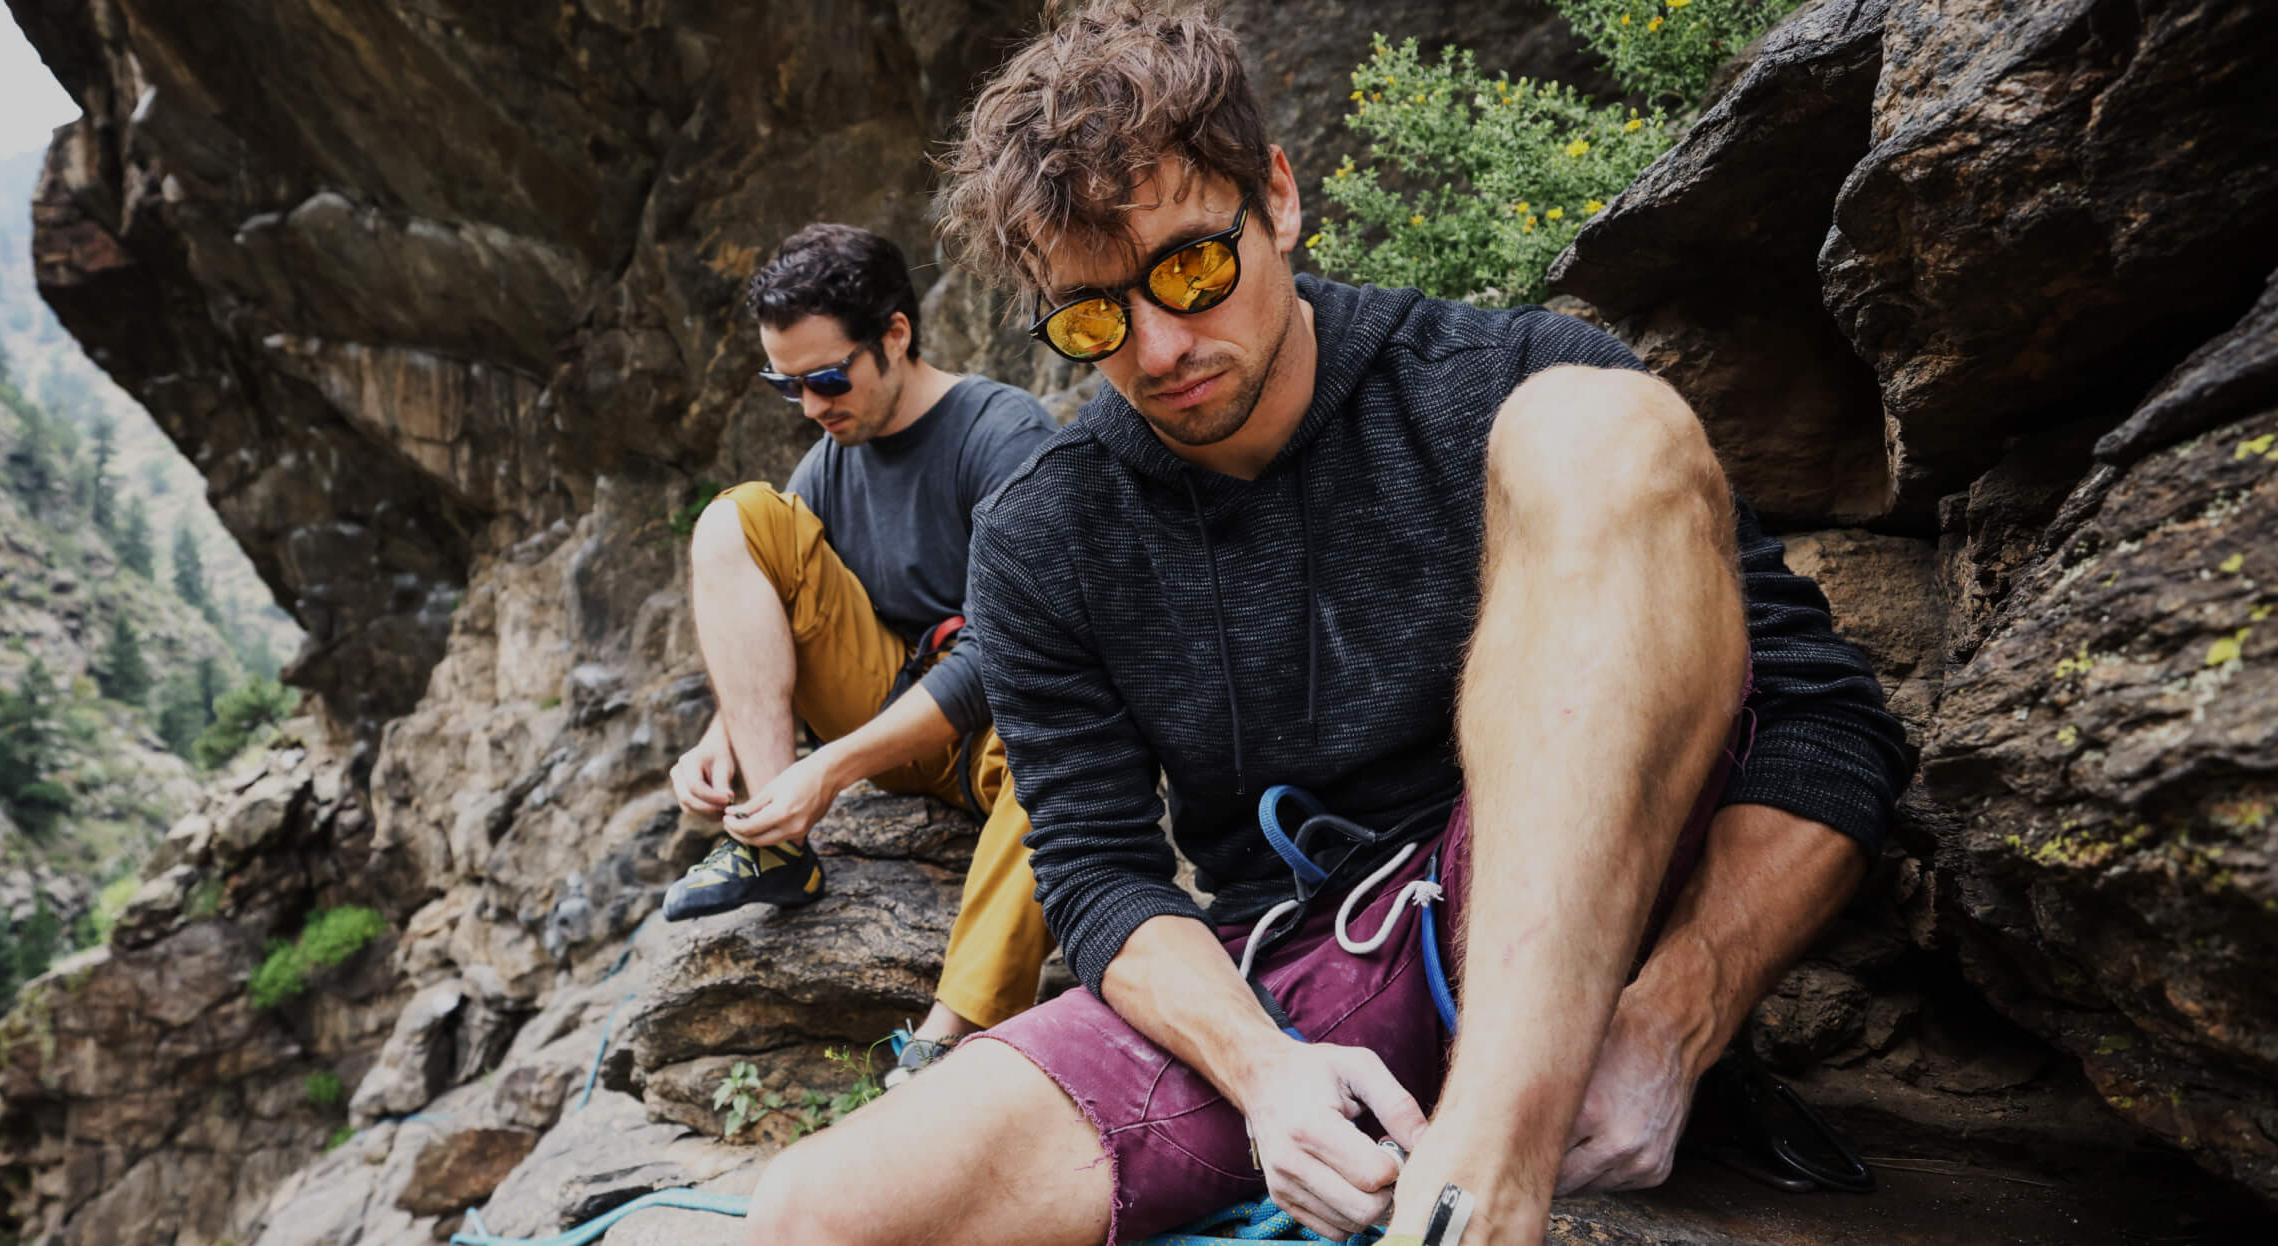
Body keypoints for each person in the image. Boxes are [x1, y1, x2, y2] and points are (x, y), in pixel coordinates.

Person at [744, 5, 1909, 1245]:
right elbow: (1097, 870)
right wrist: (1265, 1074)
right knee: (807, 1214)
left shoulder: (1504, 381)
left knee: (1602, 425)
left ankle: (1482, 1188)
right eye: (1092, 318)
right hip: (1294, 971)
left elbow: (1825, 723)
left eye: (1190, 266)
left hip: (1568, 907)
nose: (1160, 345)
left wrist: (1674, 1021)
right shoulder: (1044, 529)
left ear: (1279, 198)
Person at [662, 223, 1059, 1078]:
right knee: (736, 517)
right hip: (886, 716)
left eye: (828, 379)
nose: (811, 407)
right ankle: (774, 844)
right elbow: (773, 611)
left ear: (896, 335)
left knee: (1065, 747)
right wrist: (721, 738)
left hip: (1000, 730)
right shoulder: (829, 464)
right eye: (787, 385)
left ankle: (950, 1039)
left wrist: (833, 769)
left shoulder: (1003, 434)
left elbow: (1004, 655)